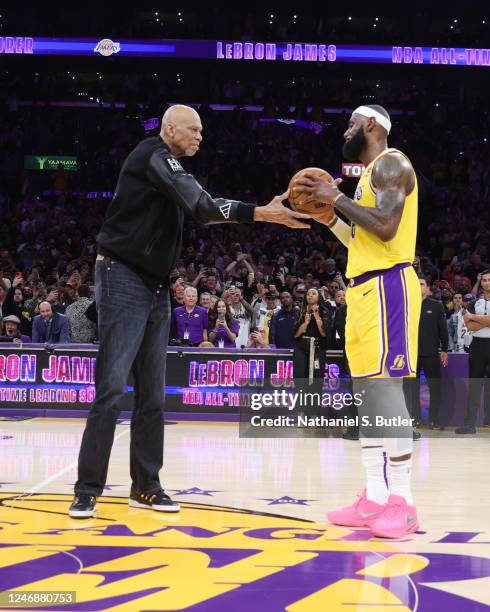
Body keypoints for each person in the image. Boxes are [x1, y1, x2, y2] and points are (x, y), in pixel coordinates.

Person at [69, 104, 310, 518]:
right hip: (124, 276)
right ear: (169, 129)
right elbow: (200, 206)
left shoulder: (171, 164)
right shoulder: (154, 155)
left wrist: (256, 213)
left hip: (156, 285)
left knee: (152, 394)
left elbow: (201, 208)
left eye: (201, 130)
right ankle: (87, 488)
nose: (200, 136)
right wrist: (261, 213)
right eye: (193, 129)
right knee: (110, 388)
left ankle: (145, 486)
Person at [295, 104, 421, 538]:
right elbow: (360, 238)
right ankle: (373, 496)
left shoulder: (392, 163)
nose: (345, 130)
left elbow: (386, 227)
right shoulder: (367, 176)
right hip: (363, 288)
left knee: (385, 391)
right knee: (366, 394)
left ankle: (403, 502)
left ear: (371, 125)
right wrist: (330, 217)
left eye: (351, 123)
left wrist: (337, 198)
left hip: (389, 287)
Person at [407, 276, 448, 430]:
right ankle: (415, 418)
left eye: (421, 284)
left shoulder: (436, 306)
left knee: (435, 387)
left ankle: (434, 419)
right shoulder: (407, 305)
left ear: (428, 288)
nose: (418, 286)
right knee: (411, 389)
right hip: (411, 354)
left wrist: (445, 349)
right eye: (415, 283)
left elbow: (443, 329)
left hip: (431, 353)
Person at [456, 270, 490, 434]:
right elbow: (468, 327)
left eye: (489, 280)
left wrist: (475, 318)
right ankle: (470, 424)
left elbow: (472, 321)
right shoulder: (474, 302)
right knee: (475, 385)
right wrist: (486, 321)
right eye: (484, 280)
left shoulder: (473, 308)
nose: (486, 283)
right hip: (478, 345)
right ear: (481, 282)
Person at [293, 288, 331, 384]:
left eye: (313, 293)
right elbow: (295, 335)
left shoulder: (325, 311)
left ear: (319, 297)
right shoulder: (299, 311)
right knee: (300, 377)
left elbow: (324, 333)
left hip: (318, 346)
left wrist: (317, 316)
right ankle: (300, 398)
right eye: (308, 294)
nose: (310, 295)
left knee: (317, 377)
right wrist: (305, 323)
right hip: (301, 347)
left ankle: (315, 398)